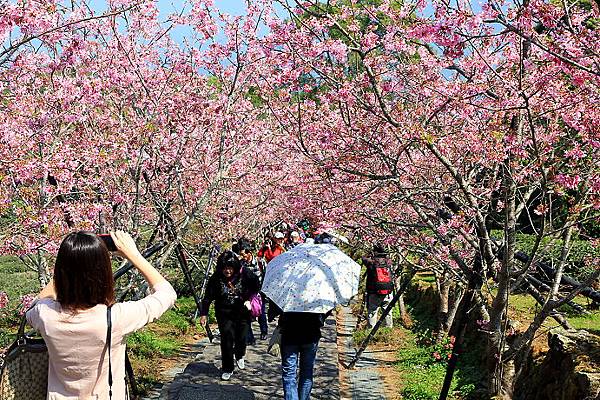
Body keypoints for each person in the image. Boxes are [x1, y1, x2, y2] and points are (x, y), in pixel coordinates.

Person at [25, 231, 177, 399]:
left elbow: (34, 305)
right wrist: (134, 255)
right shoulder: (117, 317)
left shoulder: (45, 314)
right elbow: (167, 294)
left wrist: (70, 266)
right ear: (103, 273)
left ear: (60, 271)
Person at [199, 251, 260, 380]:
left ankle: (239, 354)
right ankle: (227, 367)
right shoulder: (216, 278)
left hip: (242, 312)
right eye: (225, 268)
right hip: (223, 313)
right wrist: (204, 314)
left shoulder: (245, 274)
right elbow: (207, 297)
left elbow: (256, 286)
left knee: (241, 336)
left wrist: (249, 298)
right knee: (227, 338)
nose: (227, 271)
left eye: (230, 268)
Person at [269, 303, 330, 400]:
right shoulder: (317, 292)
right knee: (306, 373)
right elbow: (328, 308)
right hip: (311, 334)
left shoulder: (288, 289)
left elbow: (275, 309)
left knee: (289, 374)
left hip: (289, 334)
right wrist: (321, 319)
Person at [238, 239, 269, 343]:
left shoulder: (260, 262)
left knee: (260, 312)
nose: (242, 256)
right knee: (247, 314)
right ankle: (250, 338)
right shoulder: (241, 264)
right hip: (247, 293)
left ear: (249, 253)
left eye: (243, 254)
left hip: (260, 292)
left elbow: (266, 275)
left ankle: (264, 331)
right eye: (241, 254)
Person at [362, 243, 394, 328]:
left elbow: (363, 258)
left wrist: (369, 253)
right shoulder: (388, 262)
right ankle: (388, 331)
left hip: (374, 292)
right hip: (388, 291)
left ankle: (370, 331)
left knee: (372, 311)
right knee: (387, 312)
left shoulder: (371, 262)